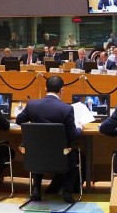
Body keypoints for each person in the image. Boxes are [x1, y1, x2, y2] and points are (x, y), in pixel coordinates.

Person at [16, 75, 80, 203]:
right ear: (62, 90)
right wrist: (79, 127)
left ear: (45, 89)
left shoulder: (32, 105)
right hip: (60, 157)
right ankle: (67, 191)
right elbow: (73, 135)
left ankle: (36, 189)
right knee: (78, 156)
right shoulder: (67, 109)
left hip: (35, 156)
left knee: (39, 149)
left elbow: (19, 120)